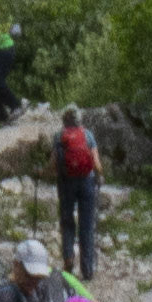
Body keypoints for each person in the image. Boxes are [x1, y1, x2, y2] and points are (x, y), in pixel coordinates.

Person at [52, 107, 102, 281]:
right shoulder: (87, 135)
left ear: (64, 121)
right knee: (87, 225)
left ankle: (68, 260)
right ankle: (87, 270)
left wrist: (41, 173)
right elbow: (96, 164)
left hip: (66, 183)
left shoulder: (59, 136)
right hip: (87, 182)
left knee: (67, 222)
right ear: (80, 120)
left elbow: (54, 164)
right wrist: (99, 176)